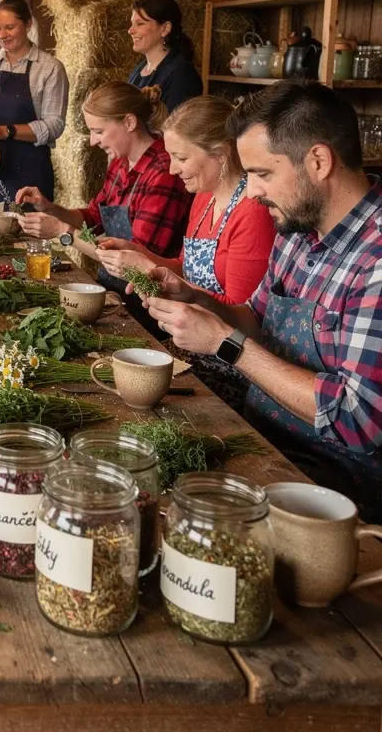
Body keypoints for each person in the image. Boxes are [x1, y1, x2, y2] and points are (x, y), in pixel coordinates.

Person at [137, 81, 382, 520]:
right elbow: (255, 319)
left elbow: (358, 420)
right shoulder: (297, 231)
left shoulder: (375, 260)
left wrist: (223, 343)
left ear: (319, 161)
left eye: (262, 174)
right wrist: (196, 299)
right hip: (260, 441)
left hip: (333, 495)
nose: (250, 193)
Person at [96, 95, 276, 409]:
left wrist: (185, 294)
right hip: (188, 347)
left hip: (229, 366)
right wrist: (142, 257)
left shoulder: (252, 212)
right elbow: (184, 265)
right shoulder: (204, 197)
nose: (173, 169)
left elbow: (244, 321)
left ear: (220, 153)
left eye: (181, 157)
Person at [16, 81, 191, 320]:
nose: (92, 141)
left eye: (98, 131)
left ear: (129, 122)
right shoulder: (120, 163)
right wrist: (50, 208)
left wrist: (61, 231)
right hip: (114, 290)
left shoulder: (163, 174)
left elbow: (135, 262)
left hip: (148, 304)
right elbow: (93, 218)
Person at [0, 0, 67, 205]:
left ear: (28, 24)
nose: (2, 35)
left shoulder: (50, 68)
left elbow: (55, 125)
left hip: (27, 171)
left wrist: (6, 130)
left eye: (9, 27)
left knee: (25, 234)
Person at [126, 0, 203, 113]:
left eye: (140, 24)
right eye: (132, 24)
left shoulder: (181, 74)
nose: (130, 30)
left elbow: (176, 128)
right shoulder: (139, 70)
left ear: (165, 28)